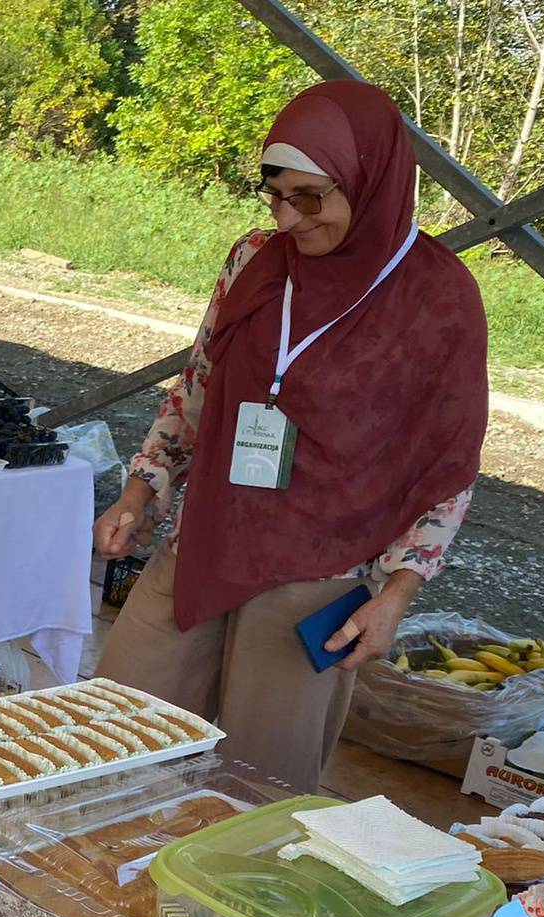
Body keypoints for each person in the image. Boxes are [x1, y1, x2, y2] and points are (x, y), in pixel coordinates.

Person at [92, 80, 488, 792]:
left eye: (309, 197)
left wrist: (395, 594)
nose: (286, 219)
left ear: (370, 182)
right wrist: (142, 489)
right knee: (116, 735)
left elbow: (448, 461)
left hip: (317, 574)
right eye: (273, 194)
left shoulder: (436, 295)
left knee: (255, 785)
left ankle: (207, 909)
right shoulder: (255, 260)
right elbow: (199, 386)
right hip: (207, 539)